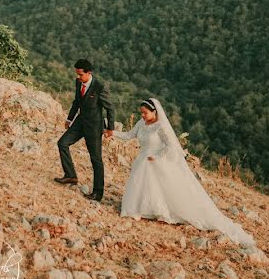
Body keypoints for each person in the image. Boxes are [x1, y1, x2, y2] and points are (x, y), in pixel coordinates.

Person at [107, 98, 256, 246]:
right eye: (141, 113)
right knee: (141, 185)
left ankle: (161, 211)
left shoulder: (161, 126)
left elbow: (169, 146)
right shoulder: (141, 124)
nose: (142, 116)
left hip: (155, 160)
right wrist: (112, 133)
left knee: (160, 188)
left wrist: (156, 157)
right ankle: (141, 209)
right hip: (142, 159)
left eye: (145, 113)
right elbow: (129, 135)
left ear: (154, 112)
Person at [54, 59, 115, 201]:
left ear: (89, 73)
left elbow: (110, 108)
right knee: (62, 143)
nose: (78, 77)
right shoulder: (78, 83)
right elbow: (76, 101)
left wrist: (110, 128)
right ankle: (70, 175)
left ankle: (97, 193)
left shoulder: (99, 87)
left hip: (94, 126)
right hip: (79, 122)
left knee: (96, 159)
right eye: (77, 74)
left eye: (80, 74)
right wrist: (69, 119)